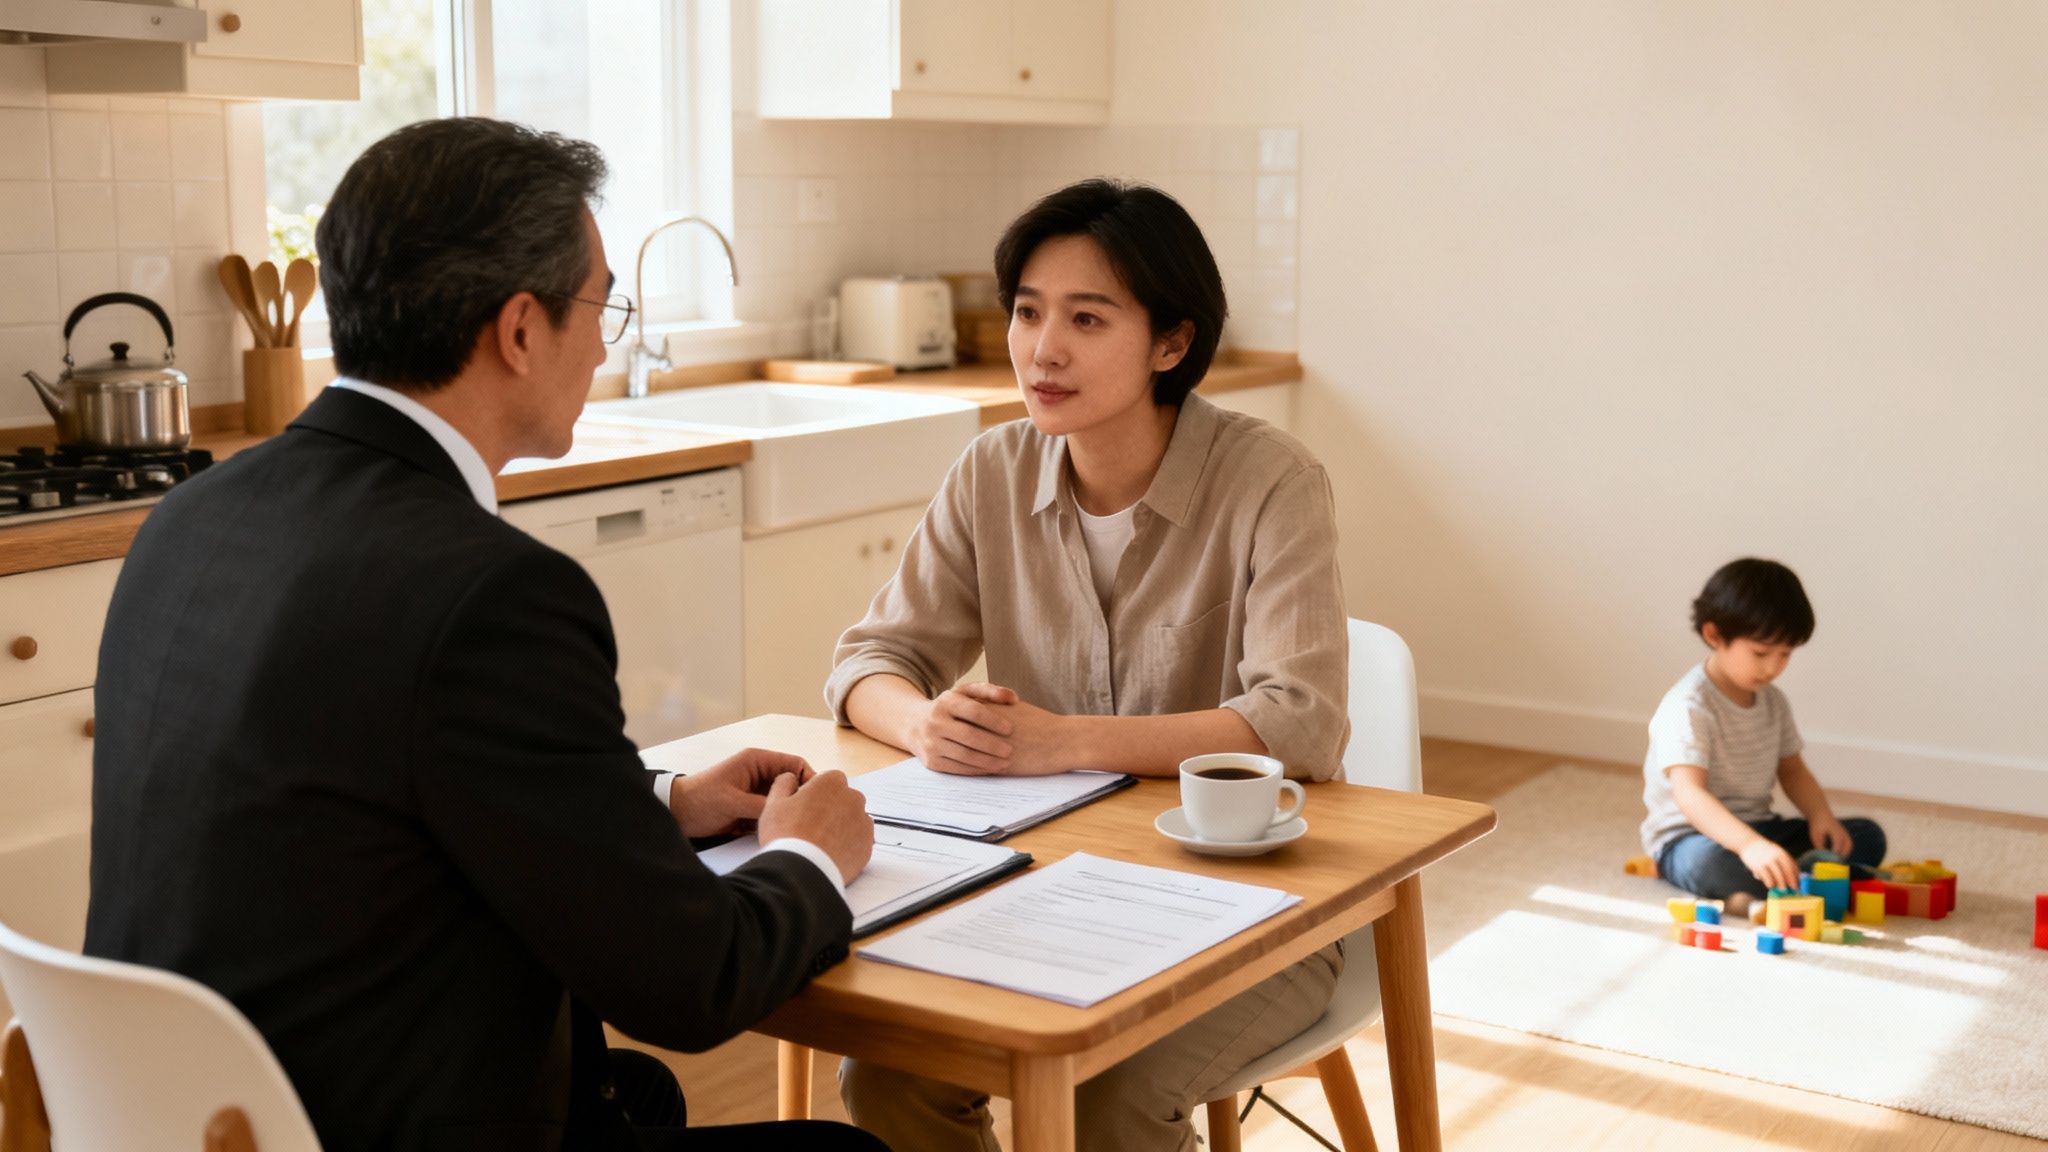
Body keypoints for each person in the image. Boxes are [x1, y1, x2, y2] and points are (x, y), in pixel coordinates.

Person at [85, 118, 886, 1152]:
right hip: (370, 1120)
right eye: (601, 305)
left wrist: (656, 804)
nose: (604, 341)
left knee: (631, 1096)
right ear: (518, 330)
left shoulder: (194, 512)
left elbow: (355, 788)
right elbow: (693, 985)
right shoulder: (490, 592)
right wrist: (809, 862)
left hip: (192, 1116)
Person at [826, 179, 1351, 1151]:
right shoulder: (988, 470)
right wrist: (919, 722)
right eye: (1025, 313)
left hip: (1257, 906)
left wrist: (1061, 742)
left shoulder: (1272, 481)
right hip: (1040, 889)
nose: (1041, 349)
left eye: (1084, 318)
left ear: (1169, 343)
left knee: (1106, 1096)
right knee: (887, 1077)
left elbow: (1298, 721)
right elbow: (870, 660)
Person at [1640, 558, 1887, 919]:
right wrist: (1750, 846)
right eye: (1760, 653)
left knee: (1866, 836)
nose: (1773, 667)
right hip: (1689, 838)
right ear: (1714, 636)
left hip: (1758, 827)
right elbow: (1690, 794)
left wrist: (1820, 816)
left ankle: (1787, 876)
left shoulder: (1773, 701)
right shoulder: (1688, 706)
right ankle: (1785, 879)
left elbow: (1793, 770)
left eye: (1785, 654)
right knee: (1718, 866)